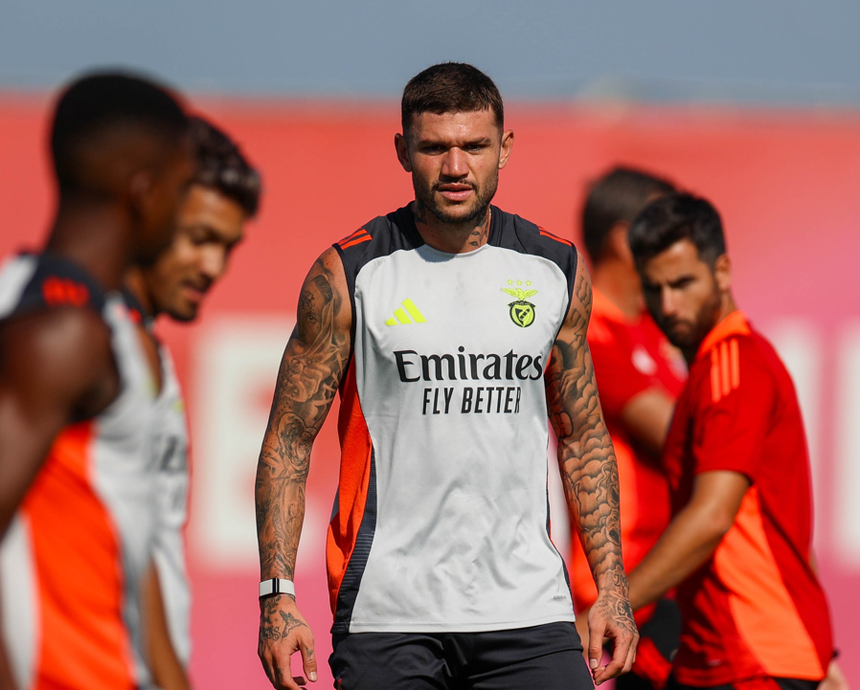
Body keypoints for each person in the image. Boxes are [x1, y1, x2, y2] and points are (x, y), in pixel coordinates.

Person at [255, 62, 637, 690]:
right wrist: (277, 595)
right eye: (434, 148)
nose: (455, 167)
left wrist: (612, 589)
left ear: (504, 148)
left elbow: (583, 438)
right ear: (403, 151)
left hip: (528, 610)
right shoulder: (350, 274)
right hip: (388, 613)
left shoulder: (555, 270)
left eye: (474, 146)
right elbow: (288, 441)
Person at [0, 72, 194, 690]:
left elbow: (129, 548)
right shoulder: (62, 332)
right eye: (182, 190)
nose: (184, 212)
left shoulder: (101, 326)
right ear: (145, 192)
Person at [625, 192, 834, 690]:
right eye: (654, 288)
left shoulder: (731, 365)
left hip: (752, 655)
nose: (668, 305)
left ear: (722, 271)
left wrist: (611, 606)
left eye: (683, 283)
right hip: (735, 652)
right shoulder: (722, 366)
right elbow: (784, 528)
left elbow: (712, 515)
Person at [123, 115, 261, 690]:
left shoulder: (142, 346)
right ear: (146, 209)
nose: (214, 268)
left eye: (227, 247)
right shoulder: (88, 342)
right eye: (199, 238)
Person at [571, 167, 686, 690]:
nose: (681, 241)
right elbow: (684, 435)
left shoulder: (655, 332)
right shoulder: (588, 332)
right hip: (631, 583)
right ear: (623, 239)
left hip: (674, 577)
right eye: (666, 225)